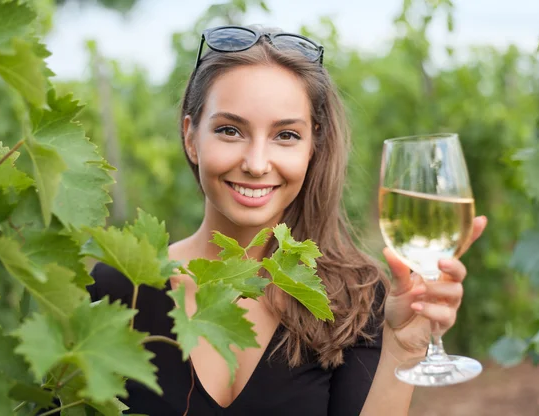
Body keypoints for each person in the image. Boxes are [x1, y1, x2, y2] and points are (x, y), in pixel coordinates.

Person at [87, 25, 488, 416]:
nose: (257, 164)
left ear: (314, 145)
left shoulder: (354, 300)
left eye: (286, 136)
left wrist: (404, 348)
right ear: (191, 136)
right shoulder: (116, 288)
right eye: (230, 130)